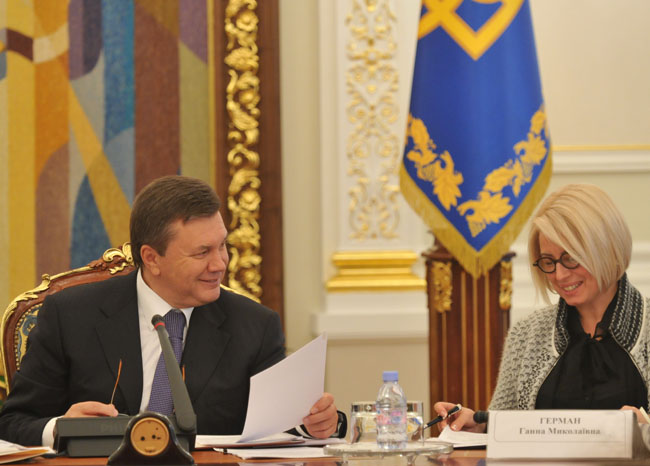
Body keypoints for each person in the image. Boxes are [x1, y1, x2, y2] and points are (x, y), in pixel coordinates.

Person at [0, 175, 342, 447]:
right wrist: (61, 428)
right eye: (202, 252)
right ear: (151, 258)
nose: (220, 264)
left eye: (222, 246)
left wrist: (318, 422)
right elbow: (13, 423)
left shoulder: (254, 325)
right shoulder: (72, 316)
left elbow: (283, 423)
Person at [434, 183, 650, 432]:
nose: (560, 275)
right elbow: (504, 425)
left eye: (571, 258)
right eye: (548, 261)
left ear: (608, 250)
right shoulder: (526, 334)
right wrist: (480, 425)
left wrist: (645, 427)